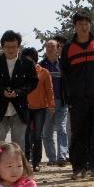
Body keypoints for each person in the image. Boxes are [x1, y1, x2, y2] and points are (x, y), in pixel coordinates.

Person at [60, 13, 94, 181]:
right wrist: (70, 94)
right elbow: (65, 73)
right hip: (77, 98)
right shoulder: (68, 48)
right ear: (74, 26)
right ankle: (79, 168)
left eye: (86, 23)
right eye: (80, 23)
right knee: (78, 133)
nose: (84, 26)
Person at [0, 30, 38, 146]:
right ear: (2, 47)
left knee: (19, 144)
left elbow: (33, 82)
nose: (10, 50)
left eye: (13, 47)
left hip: (19, 109)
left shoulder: (27, 63)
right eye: (7, 47)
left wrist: (18, 92)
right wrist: (1, 91)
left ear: (18, 46)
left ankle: (19, 164)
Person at [23, 47, 54, 171]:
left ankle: (36, 163)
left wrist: (51, 105)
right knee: (25, 136)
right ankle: (25, 162)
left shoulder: (44, 72)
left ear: (34, 58)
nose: (26, 61)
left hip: (40, 108)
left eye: (28, 58)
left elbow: (49, 90)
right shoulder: (21, 72)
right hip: (25, 108)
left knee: (37, 136)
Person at [39, 38, 69, 167]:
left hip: (61, 102)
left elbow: (68, 83)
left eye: (52, 46)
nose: (49, 48)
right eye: (47, 46)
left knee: (62, 128)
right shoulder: (41, 66)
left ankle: (62, 156)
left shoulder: (64, 65)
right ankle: (52, 158)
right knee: (47, 132)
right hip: (45, 104)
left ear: (58, 49)